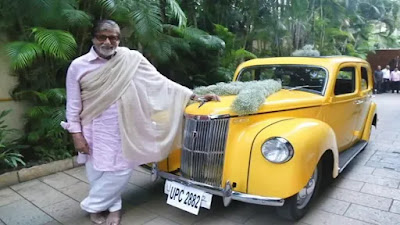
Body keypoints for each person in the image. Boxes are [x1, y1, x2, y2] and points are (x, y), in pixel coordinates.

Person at [61, 20, 219, 225]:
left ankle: (93, 206)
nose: (108, 42)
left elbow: (160, 82)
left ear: (119, 39)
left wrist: (193, 96)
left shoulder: (131, 58)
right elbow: (73, 104)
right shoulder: (78, 66)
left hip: (125, 128)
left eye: (114, 37)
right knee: (97, 171)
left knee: (120, 170)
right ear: (94, 38)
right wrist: (76, 134)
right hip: (91, 127)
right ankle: (114, 209)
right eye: (103, 36)